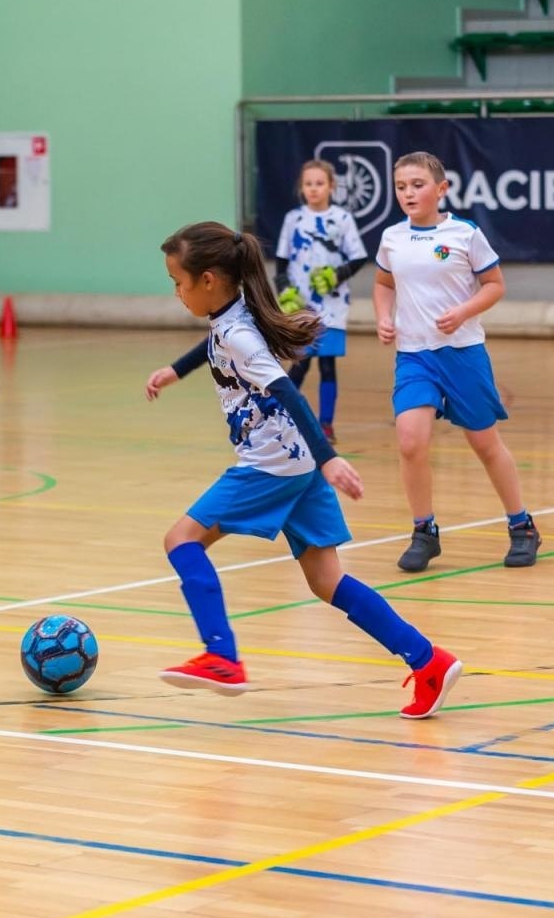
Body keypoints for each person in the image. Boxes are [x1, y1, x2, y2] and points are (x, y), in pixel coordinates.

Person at [144, 221, 461, 718]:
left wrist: (332, 456)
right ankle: (429, 662)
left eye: (178, 282)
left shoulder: (239, 334)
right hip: (300, 464)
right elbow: (216, 344)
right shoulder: (233, 316)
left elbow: (286, 391)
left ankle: (222, 656)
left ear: (208, 280)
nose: (176, 292)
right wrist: (176, 370)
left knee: (180, 541)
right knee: (326, 580)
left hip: (271, 467)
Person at [373, 151, 539, 574]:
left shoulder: (464, 234)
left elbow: (494, 285)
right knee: (410, 441)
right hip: (413, 356)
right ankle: (423, 531)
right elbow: (382, 283)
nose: (408, 193)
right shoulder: (393, 237)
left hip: (462, 353)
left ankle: (522, 526)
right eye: (401, 186)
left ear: (441, 189)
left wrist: (463, 312)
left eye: (417, 184)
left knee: (484, 443)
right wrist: (382, 316)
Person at [274, 159, 369, 442]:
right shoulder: (293, 219)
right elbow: (281, 259)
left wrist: (337, 275)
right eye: (308, 184)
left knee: (327, 364)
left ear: (331, 186)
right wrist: (283, 288)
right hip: (301, 304)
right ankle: (281, 418)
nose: (313, 189)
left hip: (332, 305)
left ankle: (326, 425)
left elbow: (359, 256)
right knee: (300, 361)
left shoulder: (342, 219)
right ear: (301, 188)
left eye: (319, 183)